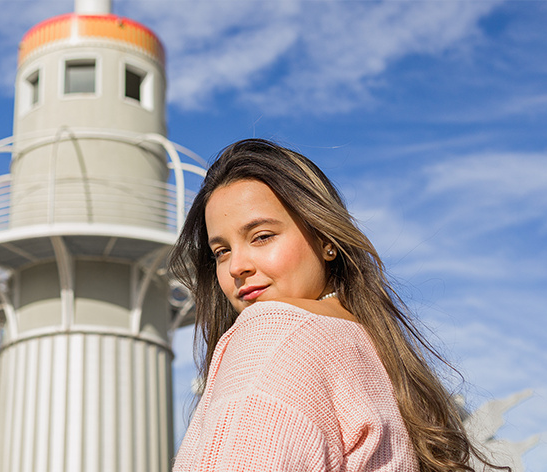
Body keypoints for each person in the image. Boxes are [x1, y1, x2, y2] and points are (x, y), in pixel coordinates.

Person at [169, 139, 508, 471]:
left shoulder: (274, 334)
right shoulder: (376, 349)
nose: (236, 267)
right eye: (221, 251)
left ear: (326, 238)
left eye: (262, 236)